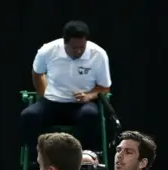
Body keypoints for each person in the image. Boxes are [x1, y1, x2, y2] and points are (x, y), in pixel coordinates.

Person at [21, 20, 112, 150]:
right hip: (52, 103)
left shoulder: (98, 54)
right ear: (64, 43)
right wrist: (44, 94)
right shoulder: (47, 51)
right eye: (74, 48)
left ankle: (84, 157)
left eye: (82, 47)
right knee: (29, 115)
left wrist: (89, 96)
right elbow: (37, 73)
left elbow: (105, 88)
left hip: (81, 105)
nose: (79, 51)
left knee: (90, 115)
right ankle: (38, 158)